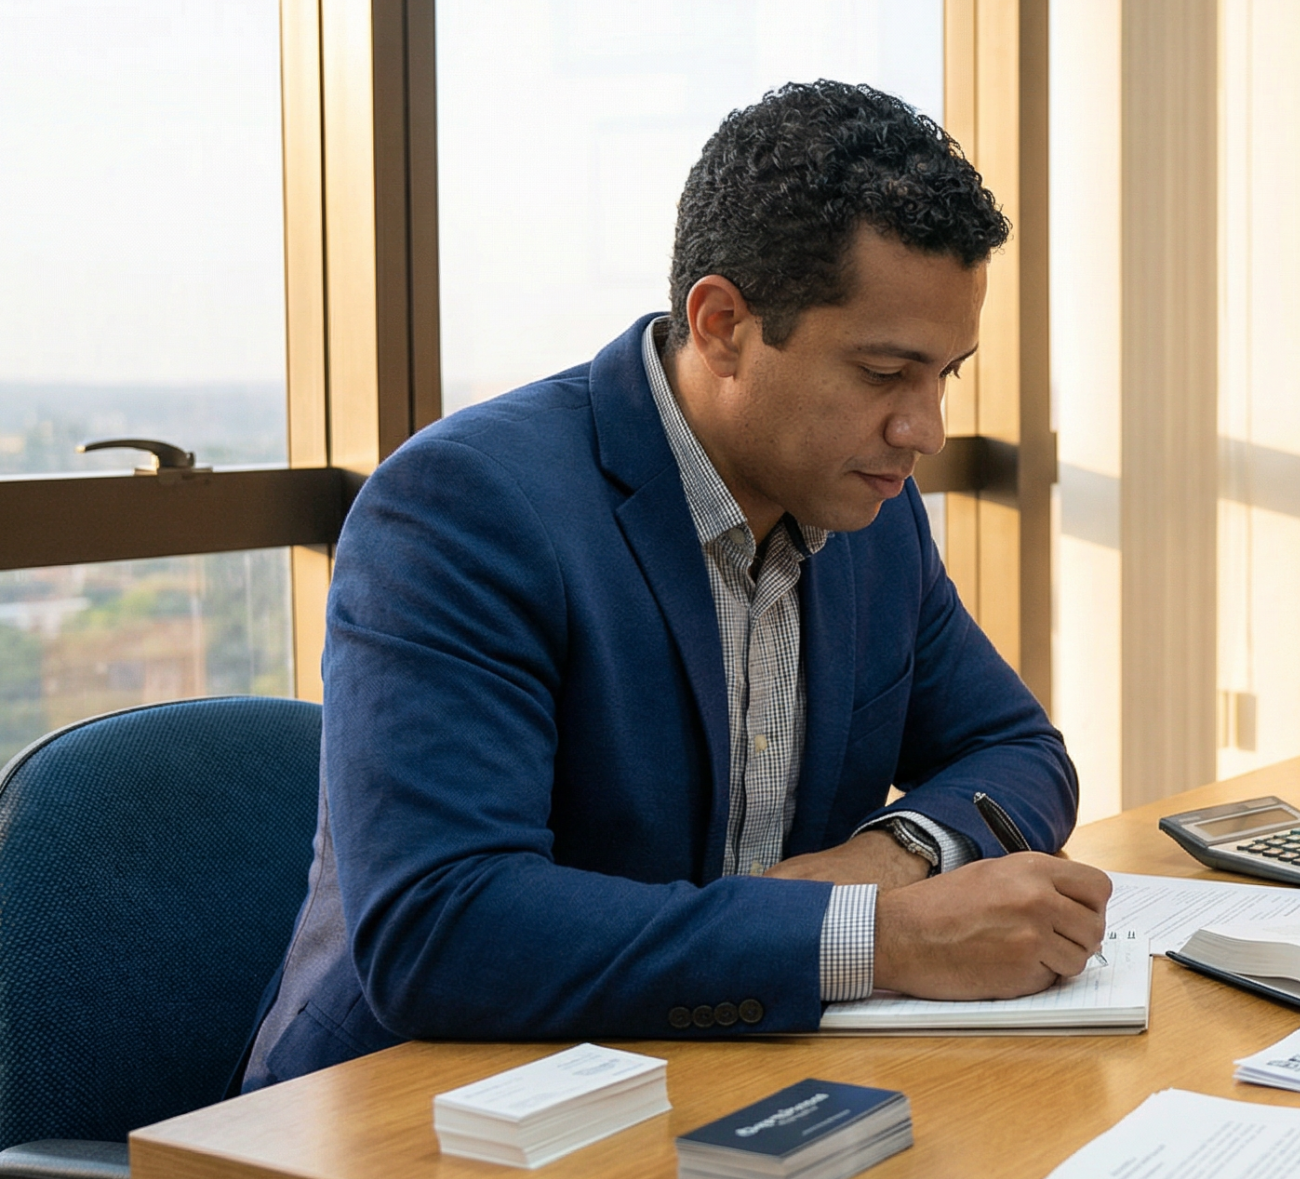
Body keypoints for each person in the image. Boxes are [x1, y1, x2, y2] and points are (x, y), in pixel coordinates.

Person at [243, 82, 1107, 1090]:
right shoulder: (464, 507)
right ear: (723, 323)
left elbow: (1018, 752)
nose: (925, 431)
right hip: (414, 1109)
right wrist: (876, 936)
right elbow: (445, 928)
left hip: (708, 1077)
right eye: (884, 374)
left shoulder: (869, 516)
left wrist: (886, 859)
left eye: (945, 374)